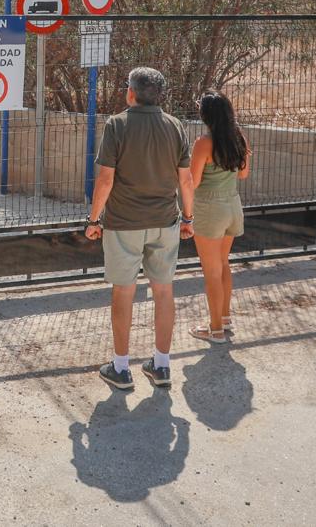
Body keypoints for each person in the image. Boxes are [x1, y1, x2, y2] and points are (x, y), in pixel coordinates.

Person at [85, 67, 194, 390]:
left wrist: (94, 220)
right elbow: (185, 180)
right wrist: (188, 218)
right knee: (164, 290)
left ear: (130, 92)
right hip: (165, 221)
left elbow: (105, 179)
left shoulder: (117, 125)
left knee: (123, 291)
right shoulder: (174, 126)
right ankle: (161, 365)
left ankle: (120, 368)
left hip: (124, 222)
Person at [188, 91, 251, 345]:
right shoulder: (239, 138)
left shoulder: (203, 143)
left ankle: (214, 330)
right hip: (233, 205)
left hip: (210, 209)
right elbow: (243, 174)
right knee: (223, 264)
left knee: (211, 271)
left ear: (207, 115)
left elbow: (193, 182)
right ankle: (224, 318)